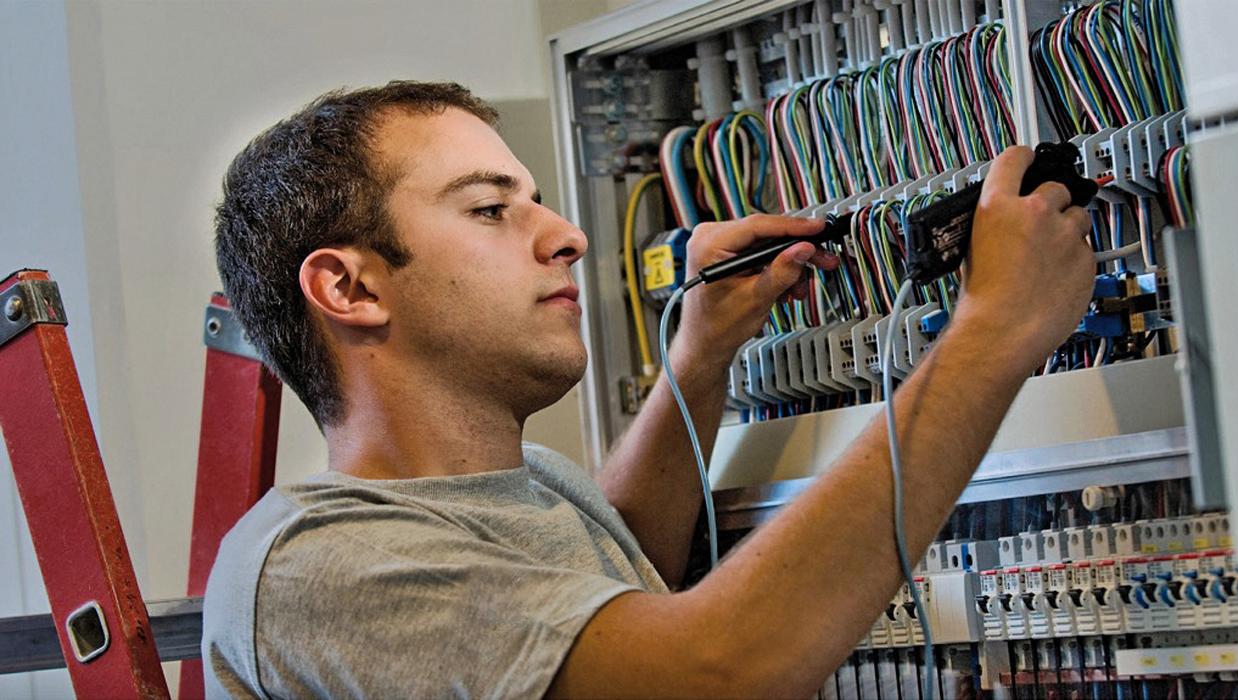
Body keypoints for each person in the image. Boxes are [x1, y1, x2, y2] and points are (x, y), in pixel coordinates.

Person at [202, 80, 1094, 698]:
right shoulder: (320, 567)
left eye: (541, 199)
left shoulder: (530, 484)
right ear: (349, 288)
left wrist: (700, 356)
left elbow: (613, 572)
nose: (567, 237)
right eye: (489, 208)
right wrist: (991, 335)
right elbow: (709, 675)